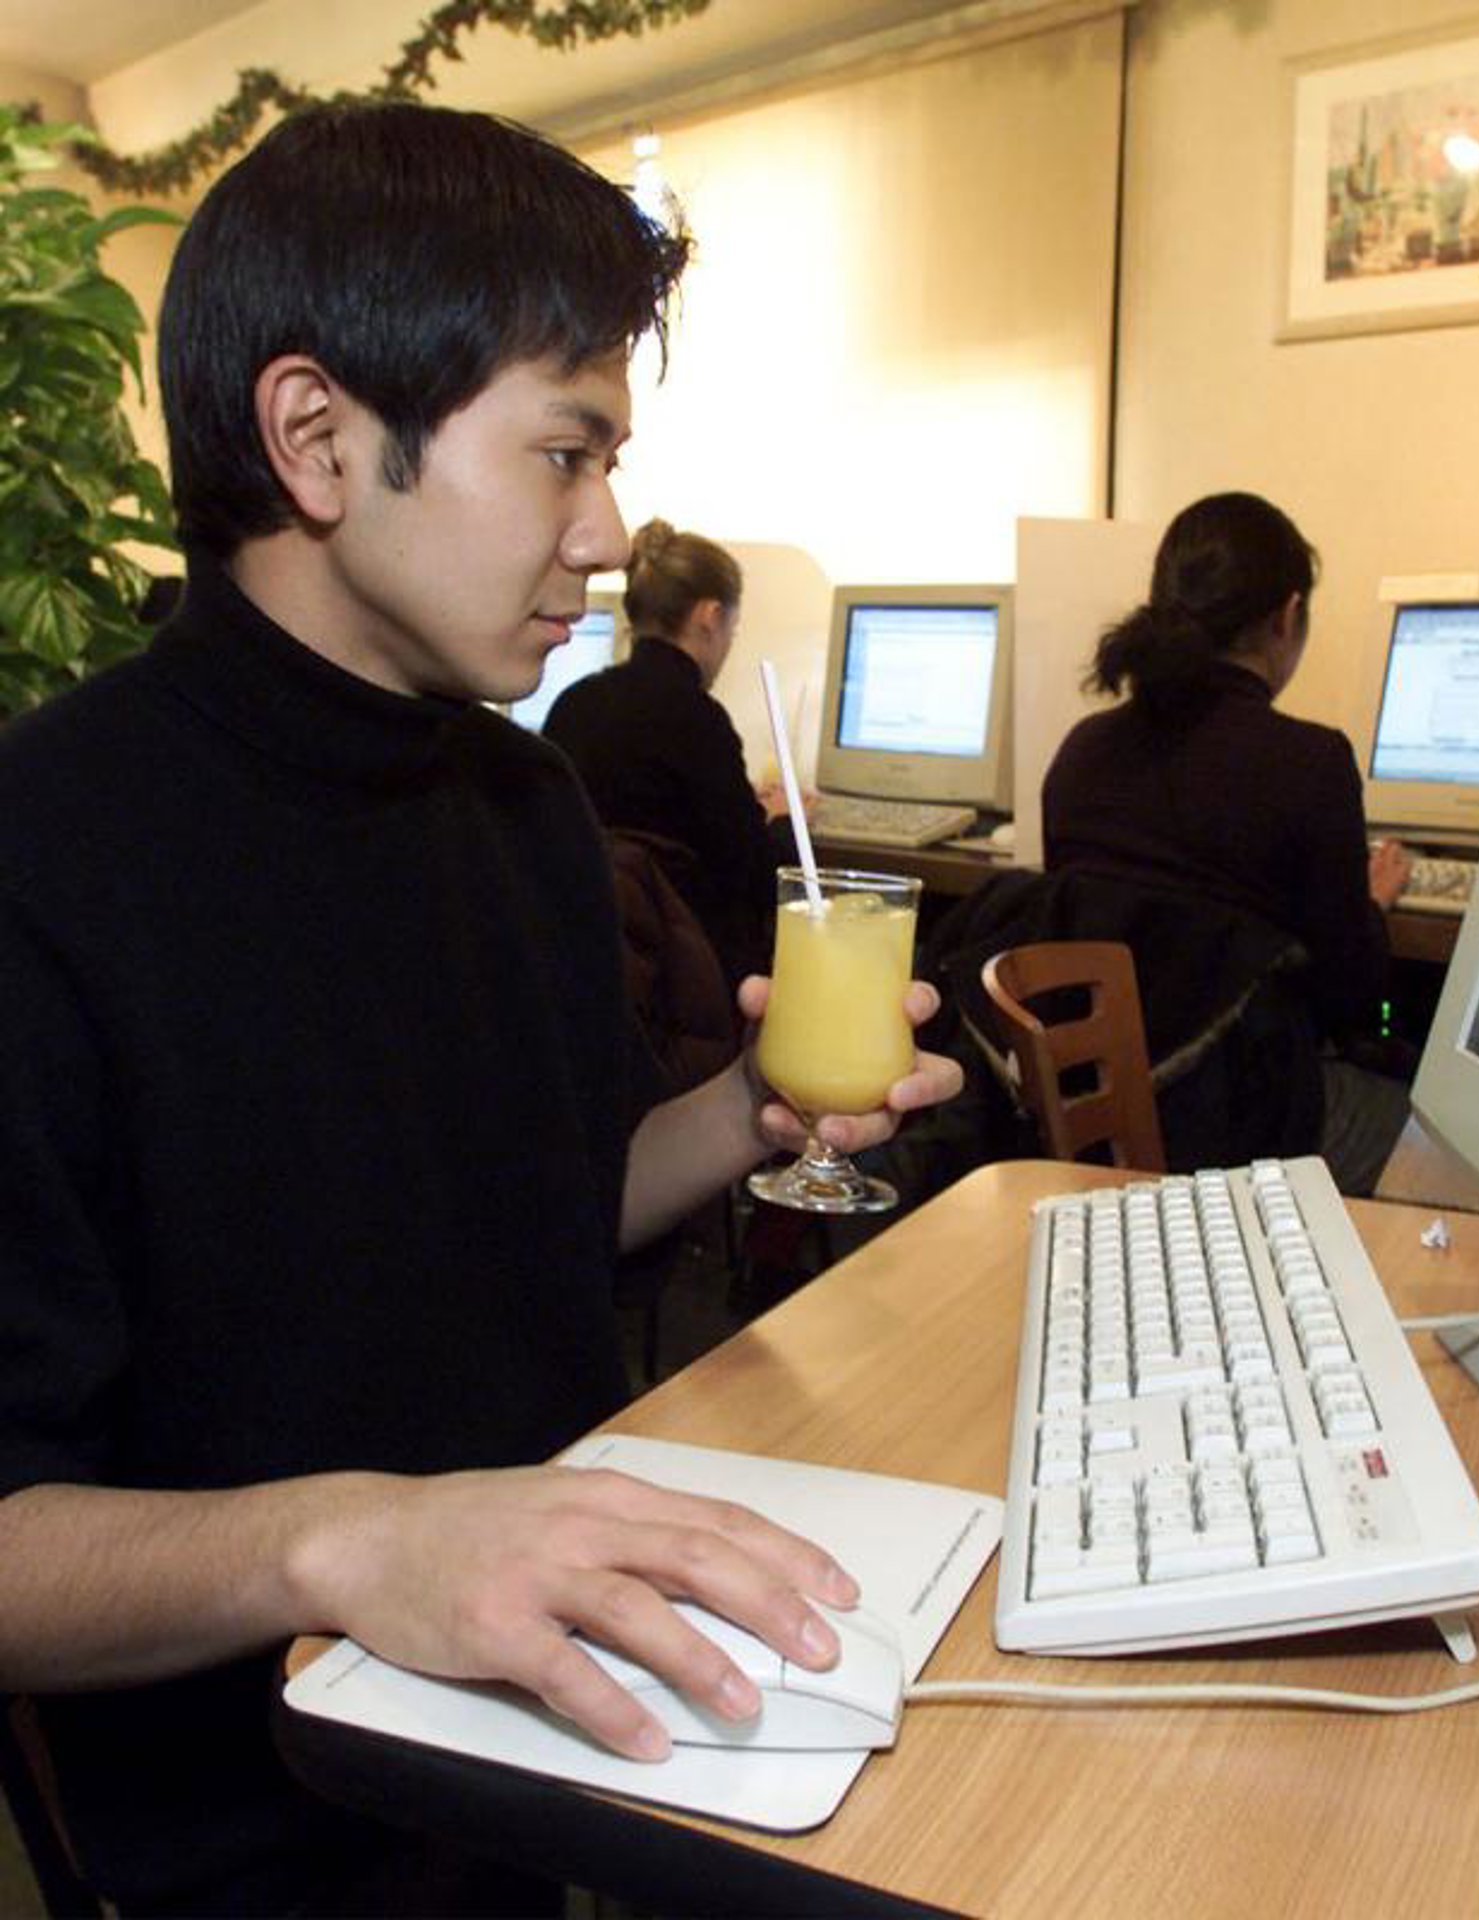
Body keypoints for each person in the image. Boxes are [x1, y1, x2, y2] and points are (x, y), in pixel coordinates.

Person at [0, 101, 959, 1917]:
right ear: (317, 438)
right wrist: (345, 1542)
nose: (610, 531)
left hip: (584, 1750)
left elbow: (556, 1199)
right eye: (564, 452)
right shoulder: (49, 854)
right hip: (281, 1833)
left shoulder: (518, 802)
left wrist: (749, 1105)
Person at [1041, 490, 1412, 1194]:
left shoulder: (1083, 751)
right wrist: (1371, 907)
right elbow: (1353, 999)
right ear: (1289, 615)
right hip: (1248, 1124)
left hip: (1096, 1120)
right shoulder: (1308, 763)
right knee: (1449, 1136)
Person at [542, 520, 795, 982]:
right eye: (733, 628)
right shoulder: (700, 721)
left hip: (585, 965)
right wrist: (782, 821)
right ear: (710, 616)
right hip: (689, 982)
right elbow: (758, 878)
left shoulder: (572, 706)